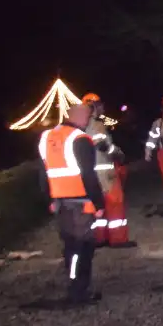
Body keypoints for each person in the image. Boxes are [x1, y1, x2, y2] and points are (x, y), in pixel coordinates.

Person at [34, 103, 105, 308]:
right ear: (82, 117)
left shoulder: (47, 137)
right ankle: (79, 290)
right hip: (81, 203)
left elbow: (42, 172)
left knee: (71, 246)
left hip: (61, 203)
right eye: (88, 118)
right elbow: (88, 174)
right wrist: (98, 203)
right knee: (84, 247)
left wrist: (49, 199)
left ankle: (75, 286)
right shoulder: (80, 139)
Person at [82, 93, 134, 248]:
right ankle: (118, 239)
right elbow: (103, 146)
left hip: (92, 172)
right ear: (94, 107)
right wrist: (118, 153)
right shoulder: (96, 125)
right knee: (115, 203)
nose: (102, 107)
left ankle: (100, 238)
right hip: (105, 172)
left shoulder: (82, 126)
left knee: (99, 206)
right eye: (99, 104)